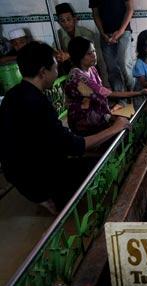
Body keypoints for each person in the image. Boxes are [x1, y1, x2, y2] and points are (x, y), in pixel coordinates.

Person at [0, 41, 130, 212]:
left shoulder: (12, 95)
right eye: (55, 67)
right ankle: (50, 196)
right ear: (42, 72)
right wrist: (115, 128)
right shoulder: (39, 103)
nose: (57, 71)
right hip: (36, 176)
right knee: (100, 166)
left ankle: (43, 194)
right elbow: (74, 146)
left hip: (14, 172)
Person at [65, 37, 147, 136]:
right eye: (89, 54)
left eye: (94, 51)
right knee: (125, 128)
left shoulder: (92, 69)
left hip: (96, 114)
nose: (94, 55)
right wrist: (140, 92)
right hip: (83, 121)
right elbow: (107, 93)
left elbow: (103, 91)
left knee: (127, 123)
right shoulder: (78, 77)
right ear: (79, 56)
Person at [54, 2, 107, 80]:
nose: (66, 23)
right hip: (71, 74)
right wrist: (58, 56)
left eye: (69, 19)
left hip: (88, 71)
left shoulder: (86, 34)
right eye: (62, 21)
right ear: (59, 22)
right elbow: (54, 51)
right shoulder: (58, 35)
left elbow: (97, 59)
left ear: (74, 19)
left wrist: (69, 55)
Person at [89, 0, 134, 91]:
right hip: (106, 34)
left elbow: (130, 9)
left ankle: (133, 92)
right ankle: (121, 98)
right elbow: (96, 14)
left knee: (124, 64)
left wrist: (120, 31)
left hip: (124, 31)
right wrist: (102, 33)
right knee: (112, 68)